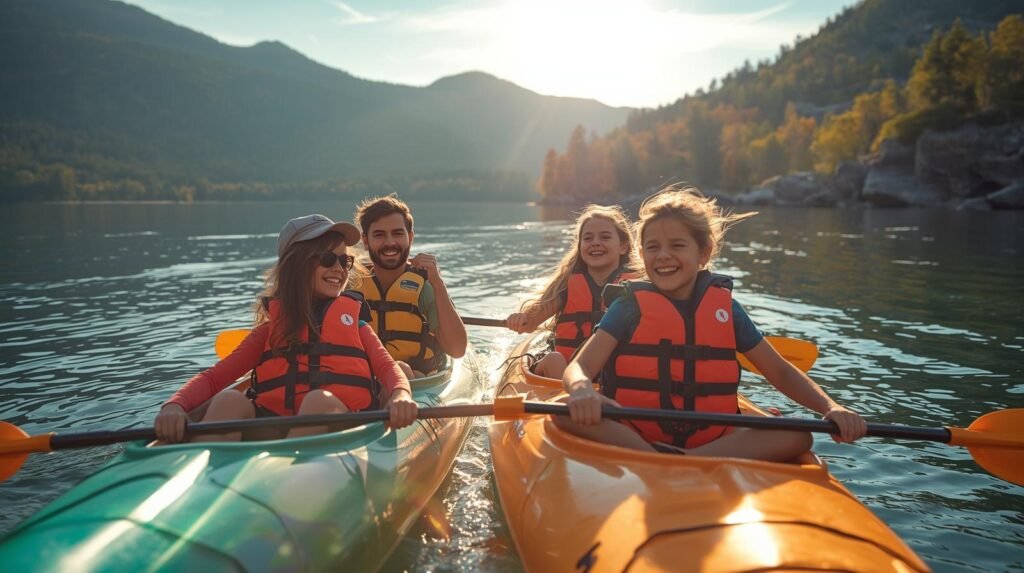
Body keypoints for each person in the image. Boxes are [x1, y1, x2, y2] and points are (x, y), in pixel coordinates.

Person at [560, 186, 867, 461]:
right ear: (641, 254)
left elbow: (780, 371)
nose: (663, 256)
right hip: (635, 430)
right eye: (653, 247)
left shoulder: (727, 311)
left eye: (677, 245)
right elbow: (579, 366)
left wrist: (830, 407)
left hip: (714, 438)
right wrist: (582, 388)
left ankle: (676, 458)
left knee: (798, 434)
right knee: (563, 410)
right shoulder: (628, 306)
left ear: (704, 252)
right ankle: (664, 456)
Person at [154, 214, 418, 443]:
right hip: (276, 426)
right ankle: (200, 481)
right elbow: (213, 378)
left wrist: (400, 394)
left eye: (344, 261)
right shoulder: (268, 333)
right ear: (297, 265)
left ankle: (284, 479)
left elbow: (387, 368)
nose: (339, 268)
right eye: (328, 259)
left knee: (318, 401)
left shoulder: (357, 327)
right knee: (228, 401)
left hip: (344, 427)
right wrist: (174, 405)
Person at [504, 205, 640, 378]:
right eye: (588, 238)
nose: (595, 242)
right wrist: (520, 318)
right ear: (580, 246)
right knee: (554, 359)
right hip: (562, 374)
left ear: (623, 247)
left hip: (613, 378)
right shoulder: (567, 285)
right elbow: (529, 324)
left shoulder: (637, 285)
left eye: (605, 237)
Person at [352, 196, 467, 378]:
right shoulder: (351, 286)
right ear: (365, 240)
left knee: (408, 373)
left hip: (418, 381)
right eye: (379, 235)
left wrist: (438, 285)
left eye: (397, 233)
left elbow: (457, 349)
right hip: (365, 379)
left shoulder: (427, 287)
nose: (390, 242)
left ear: (410, 237)